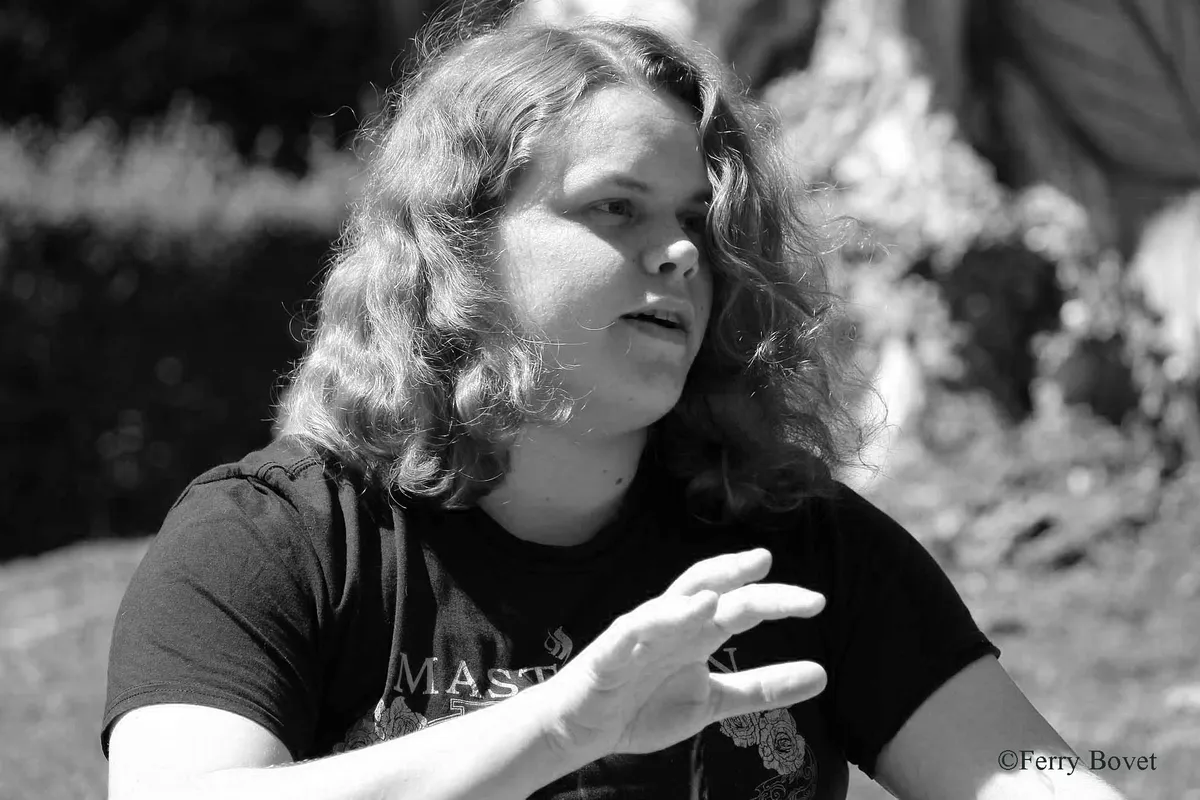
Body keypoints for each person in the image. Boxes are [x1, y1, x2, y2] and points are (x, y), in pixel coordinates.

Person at [102, 13, 1130, 800]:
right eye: (615, 208)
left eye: (697, 220)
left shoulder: (803, 549)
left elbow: (1037, 780)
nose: (682, 251)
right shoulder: (275, 539)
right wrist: (560, 725)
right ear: (459, 247)